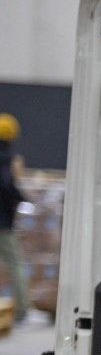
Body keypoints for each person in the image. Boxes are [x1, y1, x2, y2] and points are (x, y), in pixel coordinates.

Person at [0, 113, 29, 323]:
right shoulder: (8, 159)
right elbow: (7, 185)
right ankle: (22, 310)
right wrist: (21, 199)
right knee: (16, 263)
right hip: (3, 223)